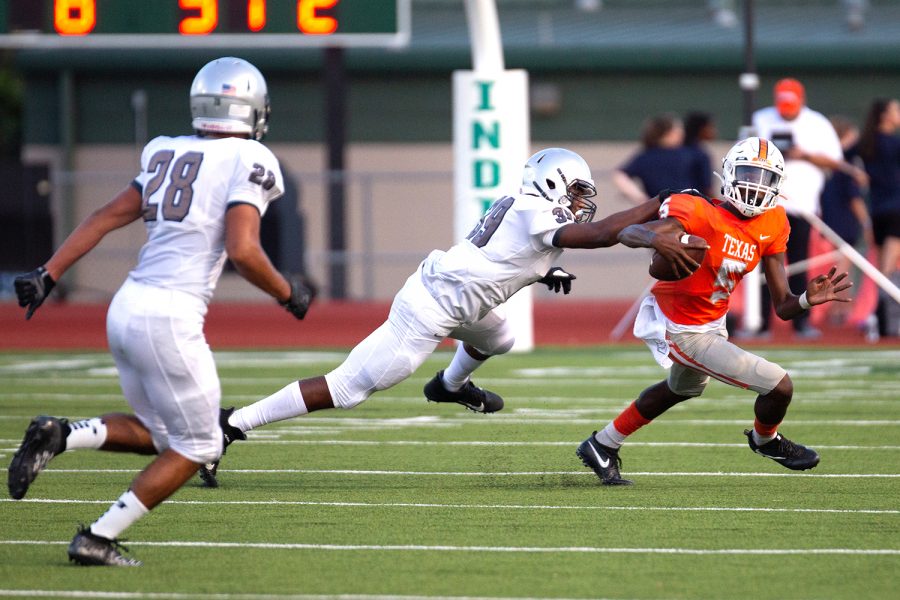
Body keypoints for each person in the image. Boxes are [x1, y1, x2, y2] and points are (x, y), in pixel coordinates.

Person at [202, 148, 703, 482]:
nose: (580, 204)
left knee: (499, 337)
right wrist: (656, 204)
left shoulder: (523, 207)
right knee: (349, 388)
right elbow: (593, 237)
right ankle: (232, 424)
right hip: (430, 308)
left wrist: (542, 272)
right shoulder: (533, 207)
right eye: (575, 193)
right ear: (550, 184)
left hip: (463, 301)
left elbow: (500, 257)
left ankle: (450, 385)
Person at [6, 57, 315, 566]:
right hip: (170, 316)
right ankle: (98, 537)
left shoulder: (166, 150)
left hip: (125, 308)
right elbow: (242, 250)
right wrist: (287, 292)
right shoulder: (250, 158)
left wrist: (48, 273)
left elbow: (105, 216)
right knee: (200, 446)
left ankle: (60, 434)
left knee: (162, 436)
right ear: (252, 110)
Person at [575, 137, 852, 486]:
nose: (755, 185)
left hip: (712, 320)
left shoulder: (774, 222)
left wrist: (806, 301)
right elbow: (630, 231)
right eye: (749, 173)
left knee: (681, 389)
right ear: (730, 173)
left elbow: (782, 306)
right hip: (681, 326)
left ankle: (602, 444)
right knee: (779, 386)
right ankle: (765, 440)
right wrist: (654, 239)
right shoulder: (698, 210)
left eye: (765, 178)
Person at [751, 78, 866, 339]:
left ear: (801, 101)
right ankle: (761, 323)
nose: (786, 111)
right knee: (763, 265)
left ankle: (800, 321)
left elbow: (834, 161)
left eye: (791, 105)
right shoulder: (761, 119)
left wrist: (804, 155)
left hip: (802, 205)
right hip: (766, 205)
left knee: (799, 264)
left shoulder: (816, 123)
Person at [820, 116, 874, 325]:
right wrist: (867, 223)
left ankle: (839, 307)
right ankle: (837, 308)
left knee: (842, 264)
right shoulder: (846, 163)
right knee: (843, 265)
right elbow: (854, 199)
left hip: (832, 217)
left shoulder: (833, 162)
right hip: (844, 220)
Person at [857, 98, 900, 336]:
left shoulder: (866, 143)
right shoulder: (893, 144)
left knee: (884, 268)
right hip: (896, 211)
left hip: (878, 212)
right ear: (885, 115)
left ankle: (881, 319)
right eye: (895, 110)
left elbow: (843, 158)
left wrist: (856, 172)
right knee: (886, 270)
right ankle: (879, 320)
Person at [612, 113, 697, 205]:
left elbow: (619, 175)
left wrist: (641, 199)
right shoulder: (688, 154)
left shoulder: (644, 156)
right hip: (687, 209)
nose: (682, 133)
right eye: (678, 129)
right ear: (668, 132)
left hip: (658, 211)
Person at [683, 111, 718, 198]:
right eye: (710, 127)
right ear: (701, 129)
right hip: (696, 203)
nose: (714, 131)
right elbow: (707, 188)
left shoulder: (679, 151)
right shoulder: (701, 156)